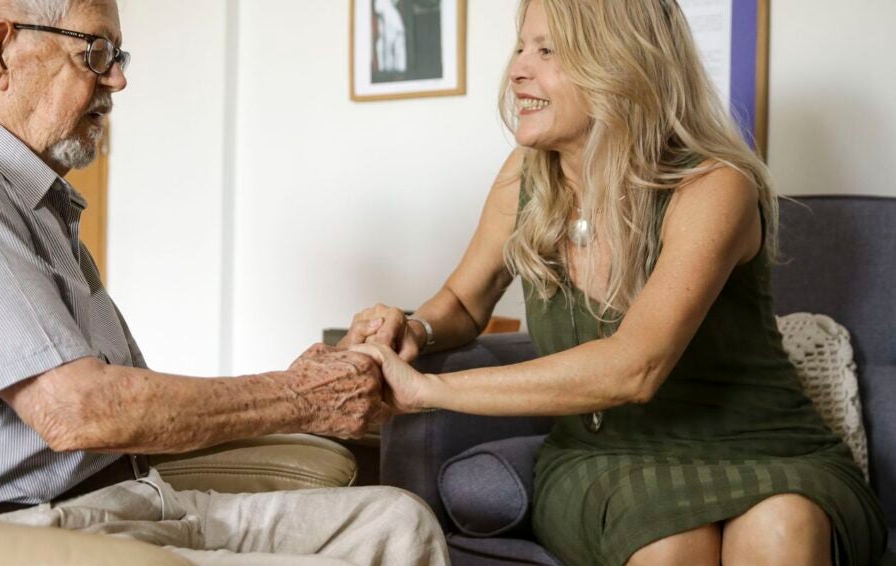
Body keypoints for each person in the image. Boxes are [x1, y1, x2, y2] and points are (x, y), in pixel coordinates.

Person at [0, 1, 448, 564]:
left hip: (122, 505)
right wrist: (302, 397)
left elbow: (120, 404)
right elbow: (79, 411)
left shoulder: (28, 199)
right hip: (19, 534)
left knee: (397, 524)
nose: (117, 77)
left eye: (116, 55)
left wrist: (300, 385)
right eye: (95, 50)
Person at [341, 0, 887, 564]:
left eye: (547, 50)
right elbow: (462, 299)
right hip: (605, 456)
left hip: (764, 446)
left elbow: (637, 366)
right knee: (669, 541)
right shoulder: (524, 179)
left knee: (782, 527)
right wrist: (418, 328)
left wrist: (428, 390)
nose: (517, 69)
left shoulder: (714, 184)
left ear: (622, 63)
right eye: (522, 47)